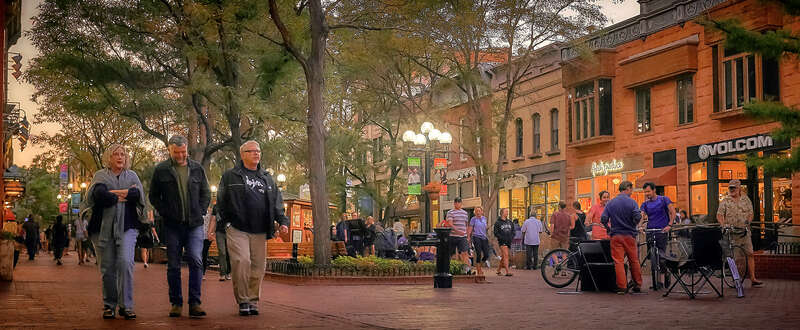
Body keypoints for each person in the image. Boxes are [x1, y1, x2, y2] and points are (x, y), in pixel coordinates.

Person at [217, 140, 289, 316]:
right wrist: (225, 223)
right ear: (243, 155)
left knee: (258, 267)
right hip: (237, 228)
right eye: (252, 151)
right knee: (242, 261)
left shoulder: (267, 178)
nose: (256, 153)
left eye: (258, 151)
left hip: (260, 229)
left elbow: (277, 203)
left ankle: (253, 300)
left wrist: (283, 221)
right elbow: (221, 201)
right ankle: (243, 300)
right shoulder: (230, 176)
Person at [149, 135, 211, 318]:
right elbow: (153, 196)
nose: (181, 155)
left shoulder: (197, 169)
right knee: (174, 265)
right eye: (177, 152)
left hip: (194, 225)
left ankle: (195, 303)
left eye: (183, 152)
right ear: (170, 150)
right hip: (172, 225)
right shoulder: (161, 170)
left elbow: (206, 193)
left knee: (196, 259)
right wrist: (165, 212)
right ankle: (176, 303)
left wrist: (200, 210)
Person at [84, 144, 146, 319]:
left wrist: (116, 193)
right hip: (102, 229)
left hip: (127, 226)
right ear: (109, 158)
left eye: (123, 154)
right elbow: (101, 196)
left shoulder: (132, 175)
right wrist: (124, 194)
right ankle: (109, 305)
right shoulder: (100, 176)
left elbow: (137, 195)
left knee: (126, 263)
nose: (120, 157)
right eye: (116, 154)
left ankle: (126, 305)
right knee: (107, 268)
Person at [717, 179, 763, 287]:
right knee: (735, 258)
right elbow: (719, 215)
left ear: (739, 188)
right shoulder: (725, 201)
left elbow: (751, 213)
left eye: (734, 188)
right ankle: (736, 280)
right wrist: (723, 224)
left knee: (750, 254)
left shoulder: (746, 200)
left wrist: (748, 221)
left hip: (744, 232)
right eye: (730, 188)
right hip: (732, 233)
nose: (732, 190)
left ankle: (753, 278)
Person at [601, 181, 644, 294]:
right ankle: (637, 284)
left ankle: (622, 286)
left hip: (616, 235)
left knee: (618, 261)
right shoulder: (632, 202)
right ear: (628, 188)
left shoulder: (611, 203)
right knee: (634, 260)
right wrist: (633, 224)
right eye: (631, 190)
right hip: (629, 235)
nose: (632, 192)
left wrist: (608, 228)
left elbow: (603, 219)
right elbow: (637, 216)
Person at [640, 182, 675, 289]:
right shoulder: (645, 204)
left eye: (648, 191)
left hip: (662, 230)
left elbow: (672, 212)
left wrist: (669, 225)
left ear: (654, 190)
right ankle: (657, 281)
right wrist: (640, 225)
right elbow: (642, 216)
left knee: (662, 256)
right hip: (651, 230)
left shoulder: (664, 199)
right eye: (645, 192)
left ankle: (667, 272)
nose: (647, 194)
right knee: (653, 256)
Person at [441, 197, 471, 274]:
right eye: (456, 202)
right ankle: (450, 269)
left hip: (462, 237)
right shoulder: (450, 212)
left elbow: (466, 225)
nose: (458, 204)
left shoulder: (465, 213)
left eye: (459, 202)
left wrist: (467, 236)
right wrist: (458, 231)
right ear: (454, 203)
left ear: (461, 203)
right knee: (451, 254)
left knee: (464, 253)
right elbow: (450, 224)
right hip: (453, 236)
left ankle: (467, 270)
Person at [208, 204, 231, 281]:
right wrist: (210, 232)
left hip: (230, 232)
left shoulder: (232, 203)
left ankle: (228, 272)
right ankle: (222, 273)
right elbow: (213, 219)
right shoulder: (216, 206)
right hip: (219, 232)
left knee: (229, 253)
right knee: (222, 252)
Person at [467, 206, 489, 276]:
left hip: (484, 238)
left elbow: (485, 227)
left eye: (479, 211)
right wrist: (468, 237)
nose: (478, 212)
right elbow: (470, 228)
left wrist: (486, 227)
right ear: (475, 212)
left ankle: (479, 266)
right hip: (476, 237)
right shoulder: (473, 219)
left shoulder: (484, 218)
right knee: (479, 253)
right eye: (476, 211)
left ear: (482, 212)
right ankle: (479, 270)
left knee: (486, 254)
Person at [493, 208, 515, 276]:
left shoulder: (510, 222)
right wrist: (501, 238)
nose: (507, 213)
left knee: (504, 256)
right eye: (506, 211)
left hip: (509, 241)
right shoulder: (497, 223)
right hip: (502, 241)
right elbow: (496, 233)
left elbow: (513, 231)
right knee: (506, 255)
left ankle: (498, 270)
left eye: (507, 211)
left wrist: (512, 237)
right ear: (502, 213)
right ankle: (507, 271)